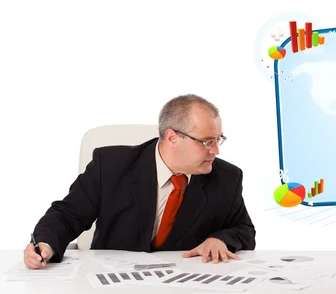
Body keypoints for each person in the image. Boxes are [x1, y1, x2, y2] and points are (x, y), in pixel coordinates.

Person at [23, 94, 256, 269]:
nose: (215, 150)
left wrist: (220, 239)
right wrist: (46, 244)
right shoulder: (111, 165)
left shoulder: (227, 178)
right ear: (173, 137)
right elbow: (68, 215)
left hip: (183, 282)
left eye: (218, 140)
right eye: (206, 142)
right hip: (113, 281)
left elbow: (244, 229)